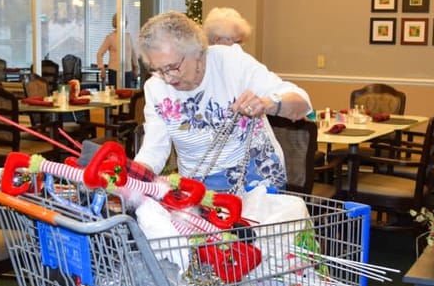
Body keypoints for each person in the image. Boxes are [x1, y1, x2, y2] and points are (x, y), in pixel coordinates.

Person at [134, 11, 313, 193]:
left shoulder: (231, 62)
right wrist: (133, 179)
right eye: (158, 70)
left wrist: (266, 104)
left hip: (258, 182)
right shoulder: (156, 87)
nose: (168, 78)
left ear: (197, 52)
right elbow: (153, 150)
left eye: (173, 67)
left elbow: (302, 103)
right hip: (200, 189)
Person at [96, 14, 139, 88]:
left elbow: (133, 53)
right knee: (115, 96)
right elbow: (99, 54)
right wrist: (102, 68)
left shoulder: (128, 37)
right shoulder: (110, 37)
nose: (123, 23)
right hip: (114, 72)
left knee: (127, 96)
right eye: (120, 21)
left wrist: (136, 67)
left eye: (124, 21)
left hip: (128, 72)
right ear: (115, 23)